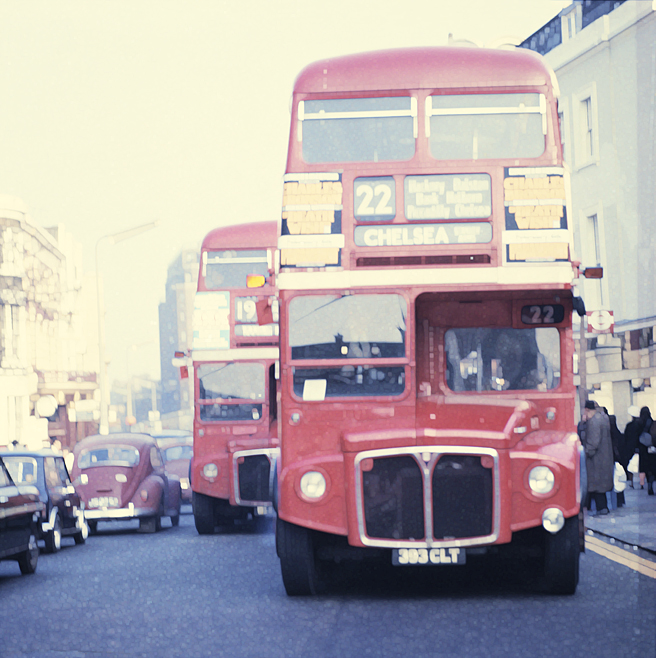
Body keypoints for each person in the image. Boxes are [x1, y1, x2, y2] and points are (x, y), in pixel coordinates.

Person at [583, 400, 614, 515]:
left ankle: (601, 508)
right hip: (604, 457)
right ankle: (601, 508)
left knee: (595, 485)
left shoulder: (593, 422)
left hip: (596, 460)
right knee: (599, 486)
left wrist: (586, 453)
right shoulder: (603, 419)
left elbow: (593, 443)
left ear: (586, 410)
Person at [624, 406, 642, 488]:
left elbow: (626, 436)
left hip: (630, 447)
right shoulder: (641, 425)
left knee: (630, 466)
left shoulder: (629, 425)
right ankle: (642, 483)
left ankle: (631, 482)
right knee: (641, 466)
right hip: (640, 447)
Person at [637, 407, 653, 492]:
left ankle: (642, 483)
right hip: (650, 447)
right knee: (651, 466)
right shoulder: (651, 422)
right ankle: (650, 482)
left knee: (643, 466)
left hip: (642, 447)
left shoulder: (639, 423)